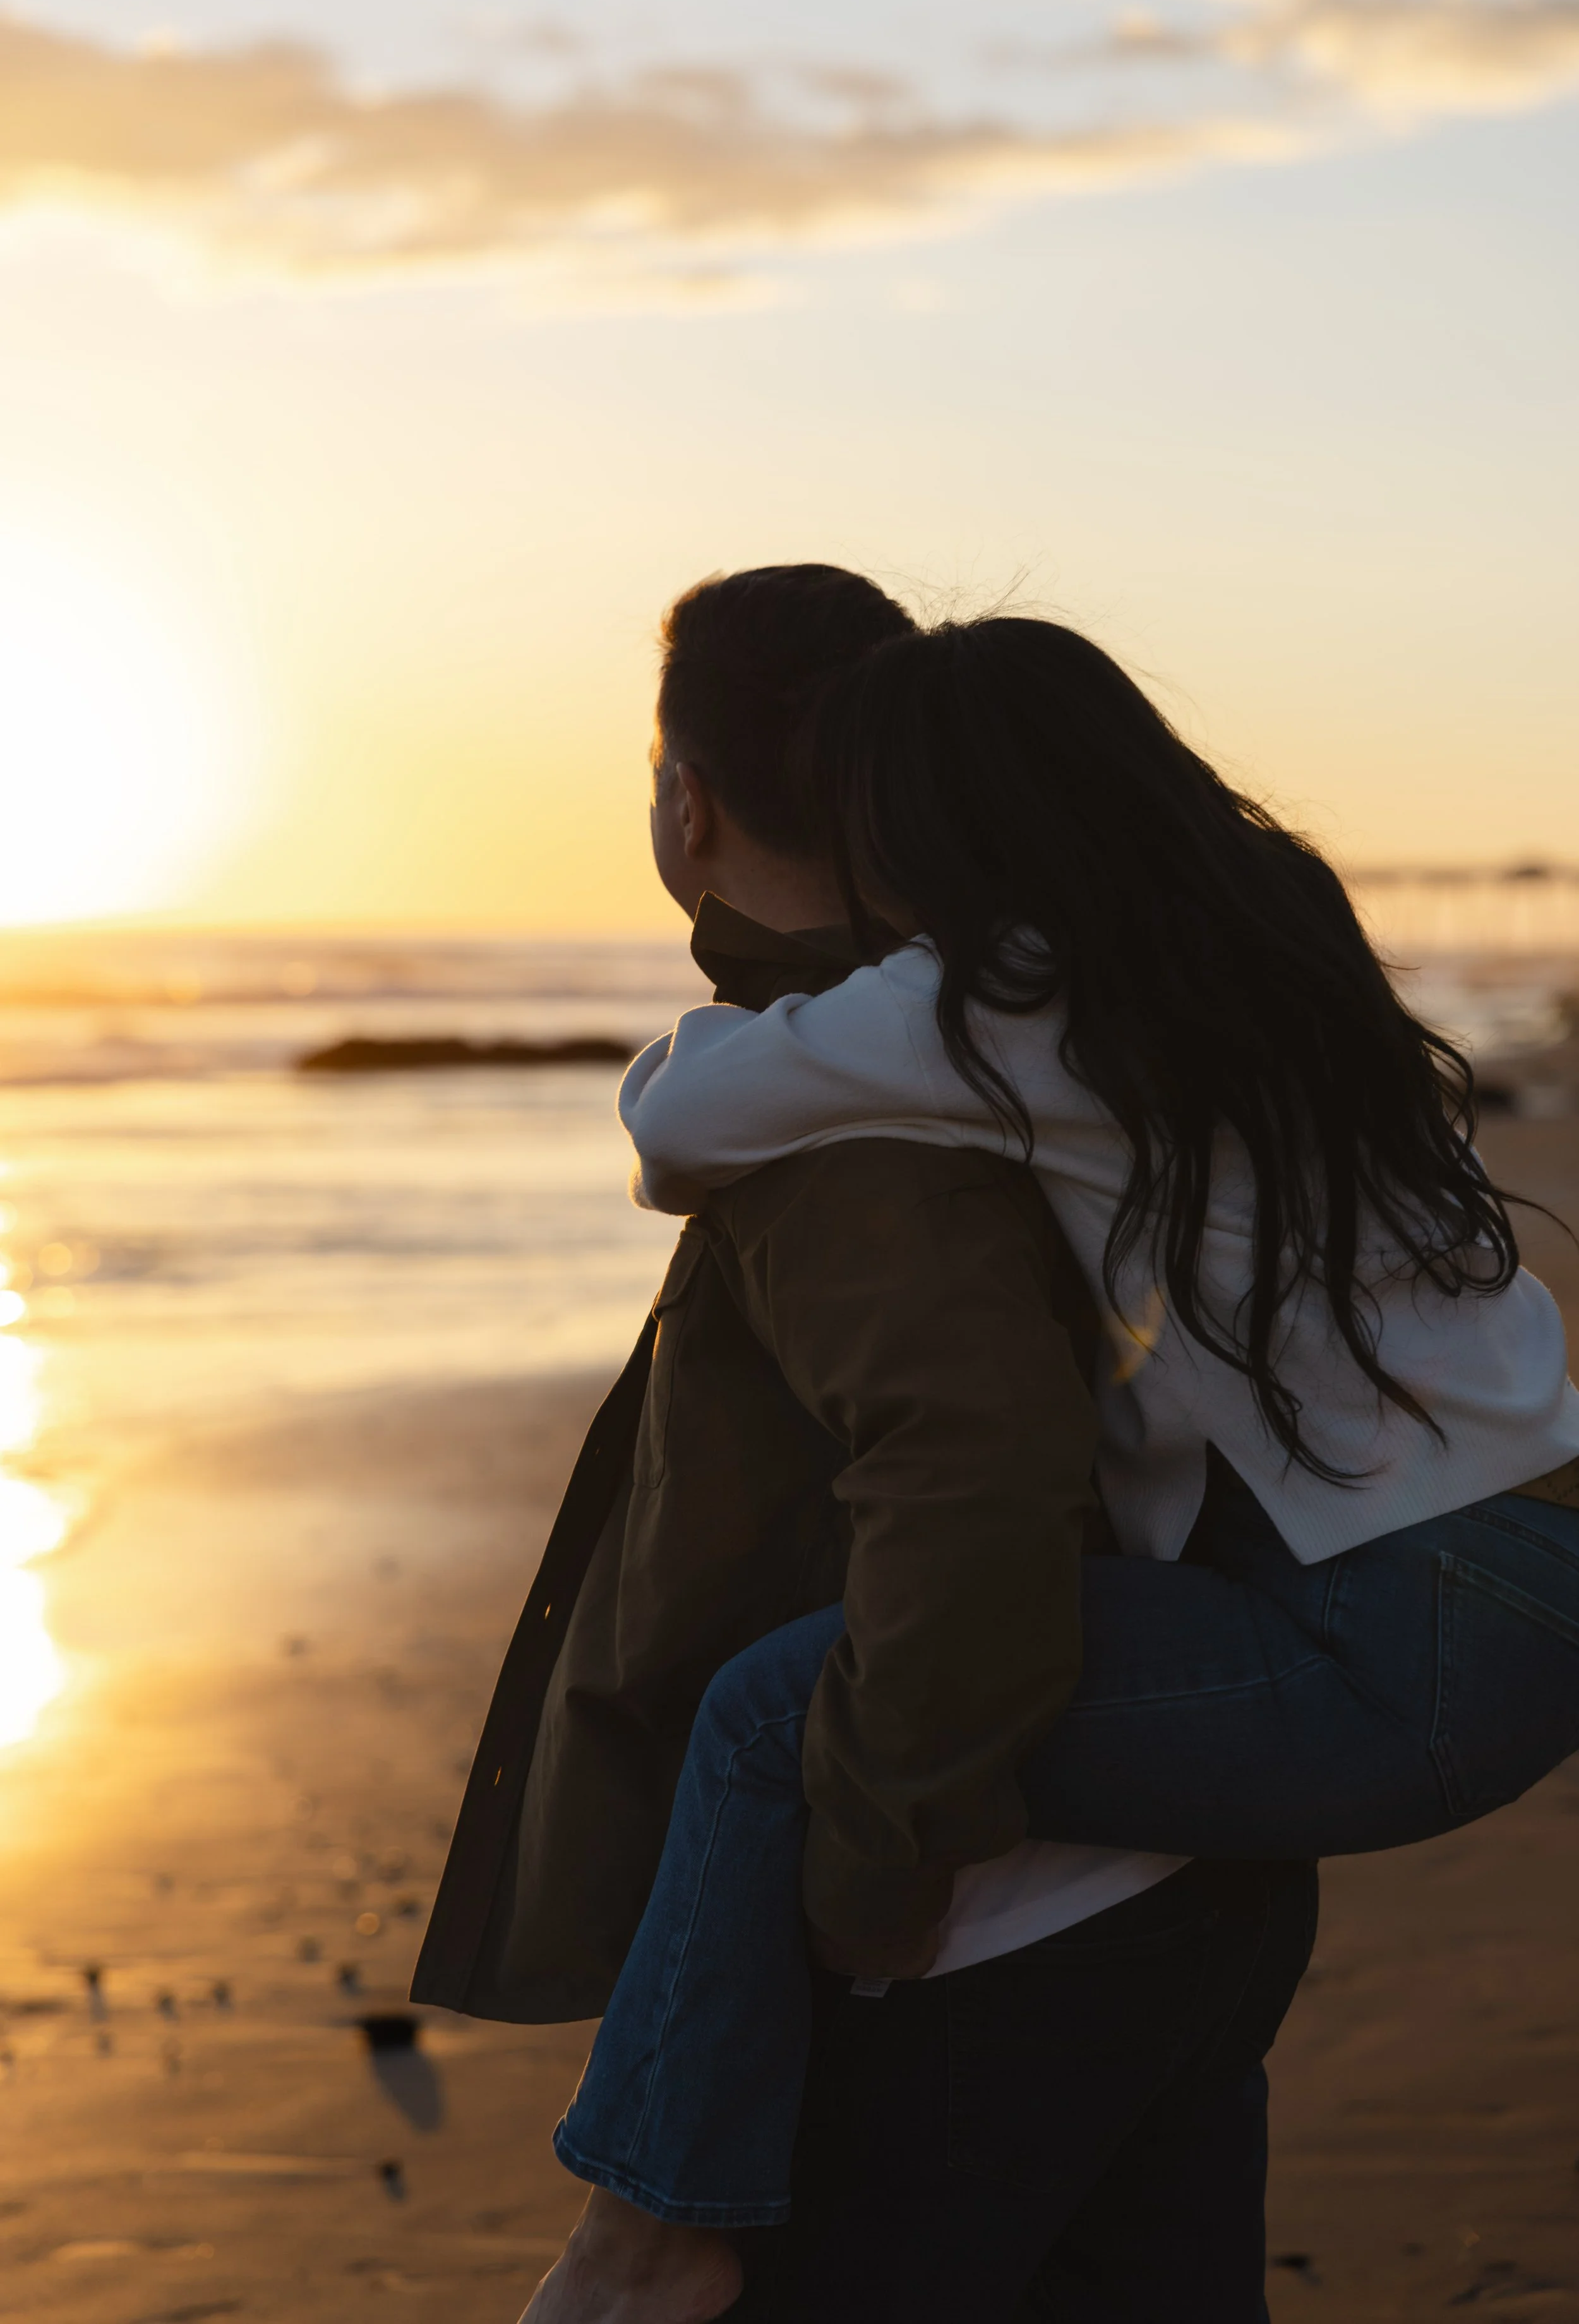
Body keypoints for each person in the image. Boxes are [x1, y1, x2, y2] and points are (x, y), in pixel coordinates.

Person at [520, 604, 1579, 2315]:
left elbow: (676, 1118)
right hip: (1527, 1561)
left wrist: (874, 1887)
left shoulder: (999, 996)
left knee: (764, 1715)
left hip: (1398, 1632)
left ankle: (645, 2224)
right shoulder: (1248, 934)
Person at [412, 570, 1321, 2323]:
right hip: (1157, 1875)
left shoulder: (842, 1110)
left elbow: (970, 1471)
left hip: (988, 1923)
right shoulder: (1007, 1036)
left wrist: (870, 1875)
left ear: (687, 802)